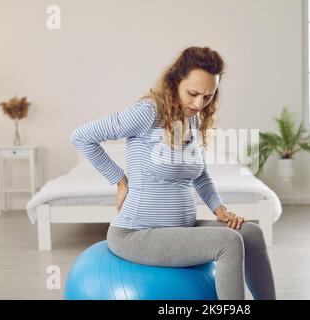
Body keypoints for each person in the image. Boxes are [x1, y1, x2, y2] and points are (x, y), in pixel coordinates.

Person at [70, 46, 276, 300]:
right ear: (175, 81)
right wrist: (120, 180)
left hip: (179, 229)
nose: (199, 103)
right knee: (229, 242)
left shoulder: (193, 119)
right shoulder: (147, 113)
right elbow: (81, 137)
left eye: (208, 97)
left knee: (251, 234)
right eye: (193, 93)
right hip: (136, 234)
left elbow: (200, 174)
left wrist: (219, 209)